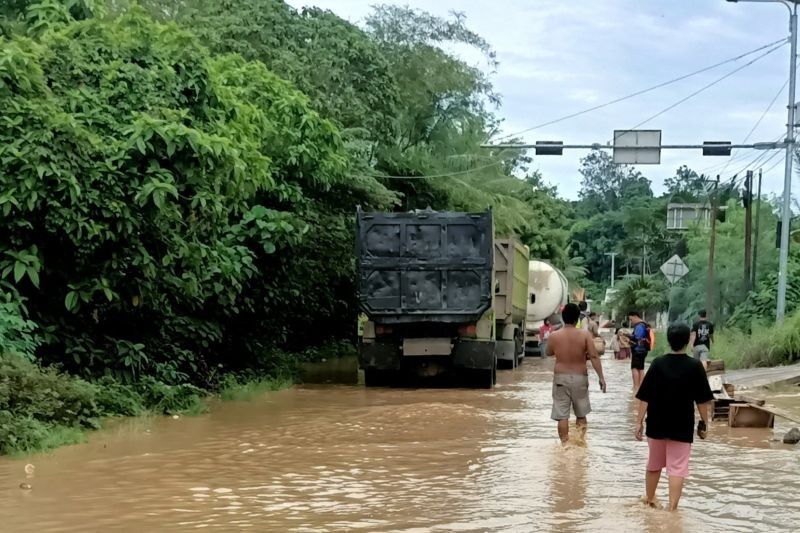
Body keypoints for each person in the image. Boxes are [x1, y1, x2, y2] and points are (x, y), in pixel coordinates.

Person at [635, 323, 713, 511]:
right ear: (688, 341)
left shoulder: (658, 363)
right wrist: (704, 422)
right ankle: (672, 511)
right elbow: (702, 401)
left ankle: (650, 501)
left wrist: (638, 422)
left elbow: (645, 397)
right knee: (677, 468)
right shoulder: (695, 366)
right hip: (682, 425)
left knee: (654, 464)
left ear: (669, 341)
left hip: (656, 424)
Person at [545, 303, 607, 444]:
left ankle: (565, 446)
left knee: (562, 416)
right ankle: (580, 443)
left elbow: (548, 352)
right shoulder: (585, 335)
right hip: (580, 378)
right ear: (577, 319)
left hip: (561, 378)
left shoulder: (554, 336)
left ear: (563, 317)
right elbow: (594, 356)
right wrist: (601, 378)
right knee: (581, 413)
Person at [628, 311, 650, 392]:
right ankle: (640, 387)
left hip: (638, 350)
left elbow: (637, 337)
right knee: (641, 368)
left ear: (635, 316)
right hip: (643, 350)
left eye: (631, 319)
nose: (631, 321)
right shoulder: (644, 324)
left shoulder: (639, 326)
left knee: (635, 368)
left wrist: (627, 335)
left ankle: (636, 387)